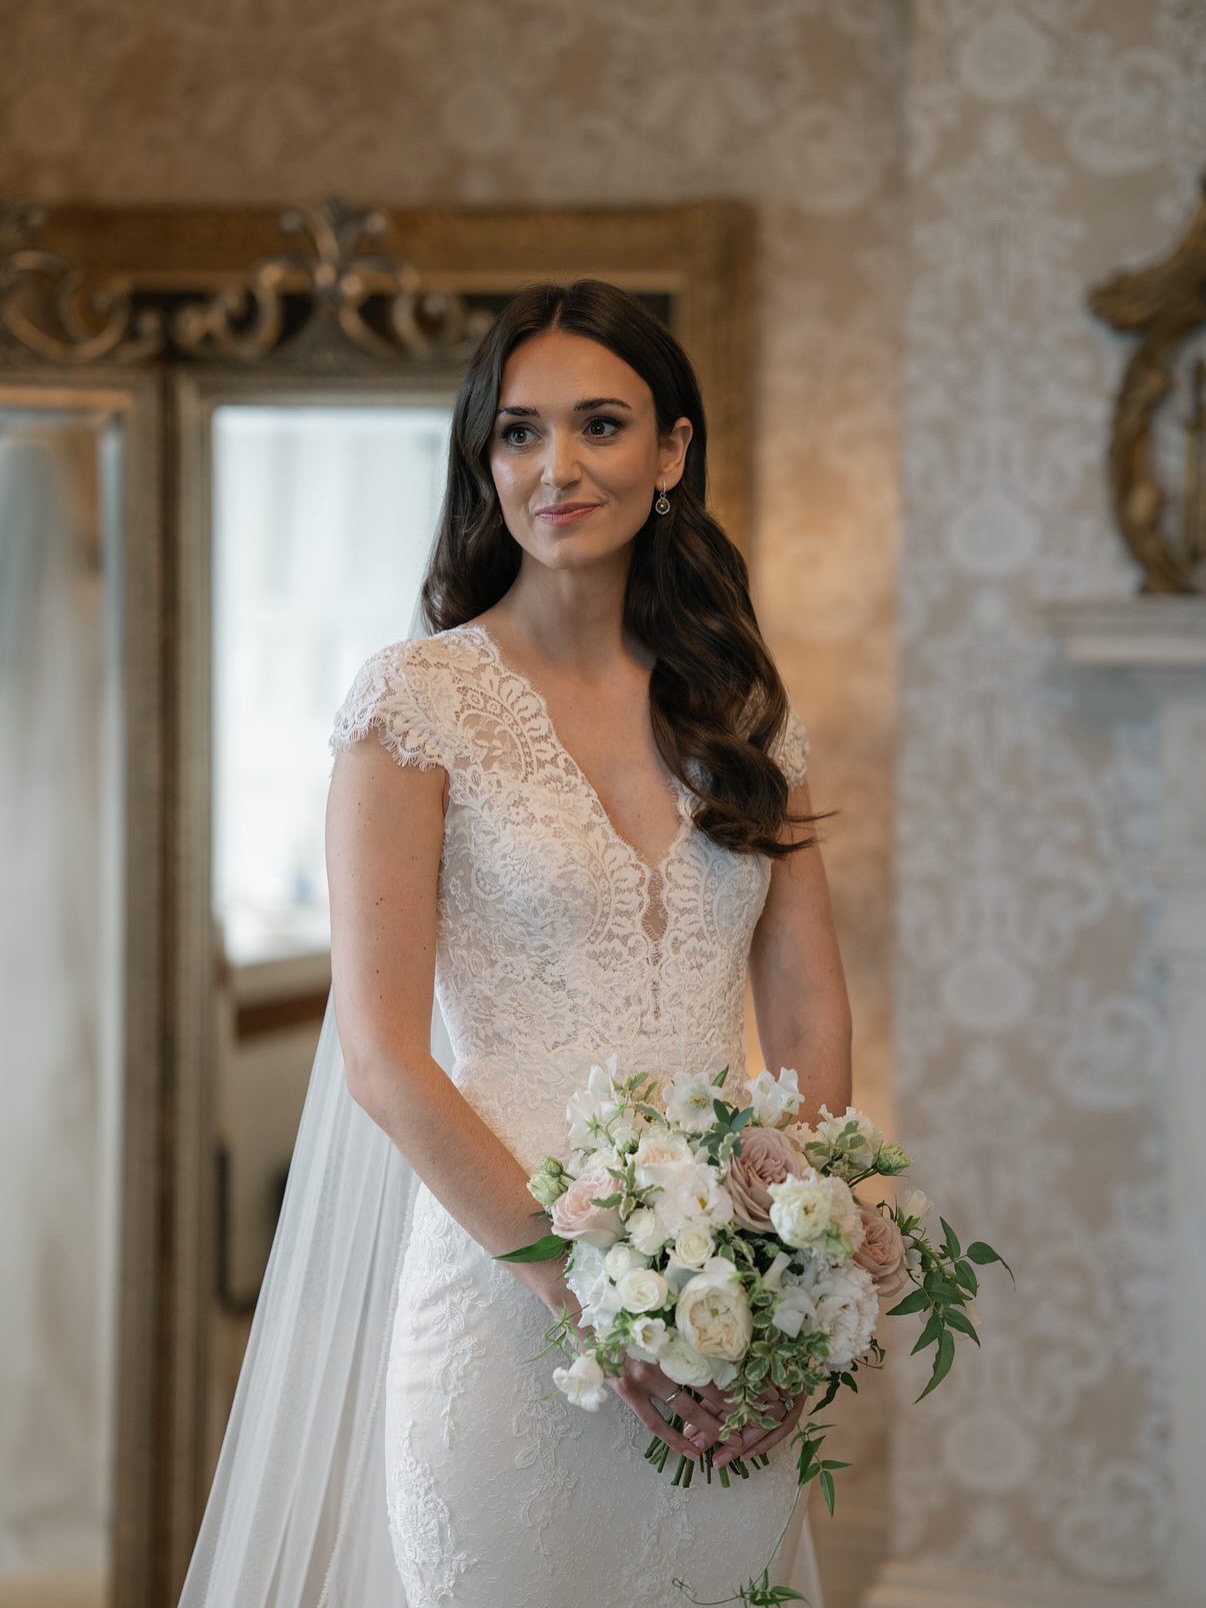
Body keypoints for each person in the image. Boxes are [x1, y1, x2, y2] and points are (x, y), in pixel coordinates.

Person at [180, 280, 851, 1608]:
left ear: (669, 454)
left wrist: (791, 1257)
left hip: (724, 1300)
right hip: (506, 1310)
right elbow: (380, 1056)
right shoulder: (414, 704)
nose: (554, 467)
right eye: (517, 432)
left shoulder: (740, 714)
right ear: (483, 465)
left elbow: (810, 1010)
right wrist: (580, 1291)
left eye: (599, 425)